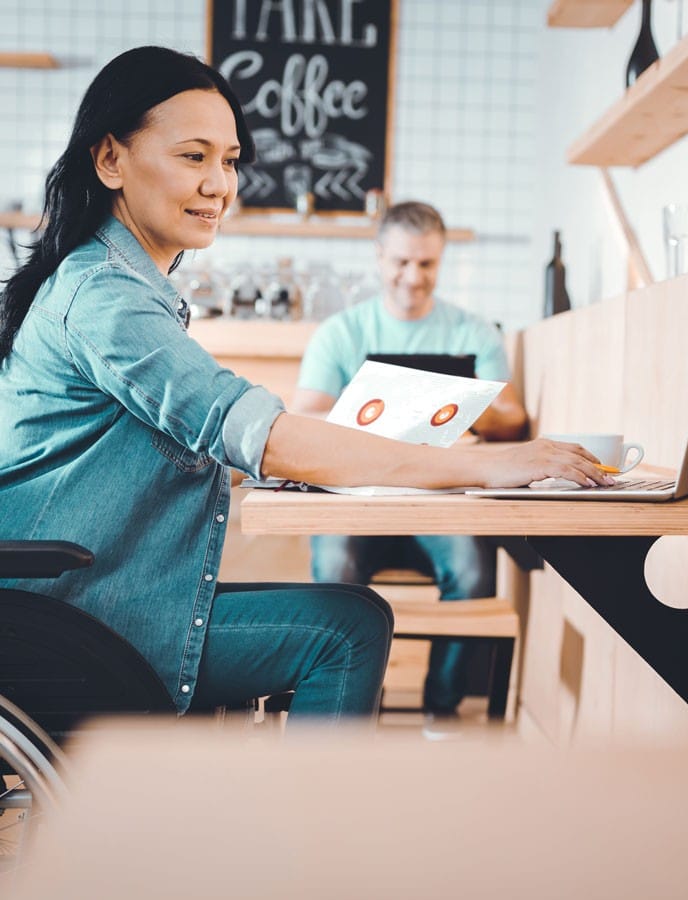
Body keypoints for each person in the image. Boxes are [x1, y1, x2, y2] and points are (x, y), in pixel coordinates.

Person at [0, 47, 610, 728]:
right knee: (344, 629)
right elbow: (266, 435)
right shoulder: (108, 299)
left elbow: (141, 452)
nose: (219, 184)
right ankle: (306, 833)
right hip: (74, 622)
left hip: (86, 601)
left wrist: (247, 468)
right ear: (110, 159)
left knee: (346, 615)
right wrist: (494, 462)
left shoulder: (108, 283)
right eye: (193, 156)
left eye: (229, 160)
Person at [291, 201, 530, 722]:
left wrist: (459, 402)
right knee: (332, 570)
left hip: (439, 499)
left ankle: (440, 711)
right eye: (401, 262)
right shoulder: (341, 331)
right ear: (378, 257)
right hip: (354, 501)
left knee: (472, 572)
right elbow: (304, 414)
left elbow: (512, 419)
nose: (413, 277)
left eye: (426, 265)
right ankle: (354, 714)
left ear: (440, 262)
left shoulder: (473, 332)